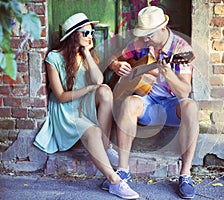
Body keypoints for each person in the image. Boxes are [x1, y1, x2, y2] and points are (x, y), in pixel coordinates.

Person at [33, 13, 139, 199]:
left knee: (105, 90)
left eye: (92, 32)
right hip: (66, 111)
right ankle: (115, 182)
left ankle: (104, 148)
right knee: (93, 132)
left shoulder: (87, 54)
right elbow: (60, 96)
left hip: (84, 105)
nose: (91, 36)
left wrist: (87, 53)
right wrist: (89, 88)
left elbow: (99, 81)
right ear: (74, 35)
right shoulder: (54, 58)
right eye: (86, 32)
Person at [104, 6, 199, 199]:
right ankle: (122, 171)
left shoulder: (182, 50)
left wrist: (168, 73)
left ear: (163, 28)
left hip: (172, 106)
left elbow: (184, 92)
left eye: (149, 35)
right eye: (144, 35)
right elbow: (112, 56)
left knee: (191, 107)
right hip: (149, 102)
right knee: (129, 103)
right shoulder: (142, 44)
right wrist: (116, 65)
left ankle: (185, 174)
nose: (145, 39)